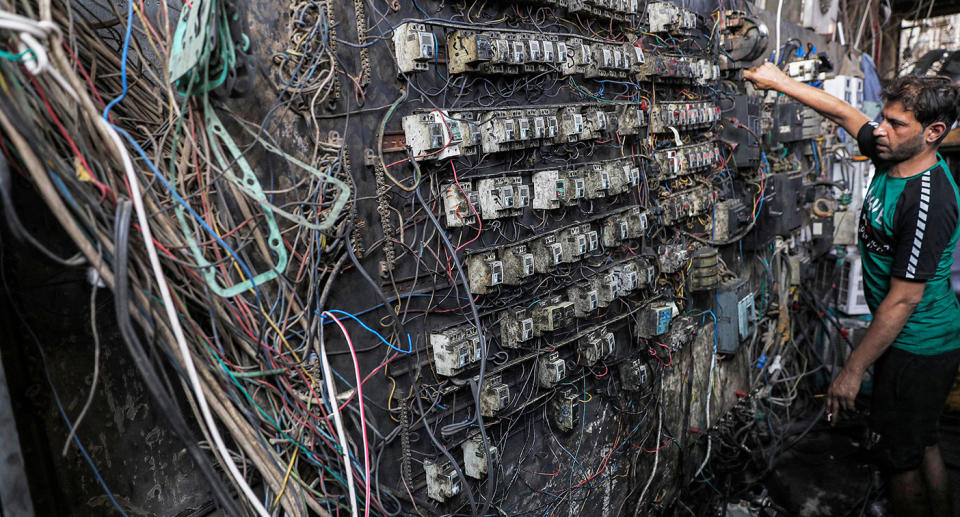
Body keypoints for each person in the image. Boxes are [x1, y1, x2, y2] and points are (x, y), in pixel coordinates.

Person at [744, 63, 960, 516]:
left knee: (897, 461)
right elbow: (844, 114)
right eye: (883, 118)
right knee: (921, 444)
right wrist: (778, 81)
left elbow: (904, 299)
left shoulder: (929, 200)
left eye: (896, 124)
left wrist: (852, 370)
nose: (880, 130)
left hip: (918, 344)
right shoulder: (894, 151)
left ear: (934, 132)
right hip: (913, 339)